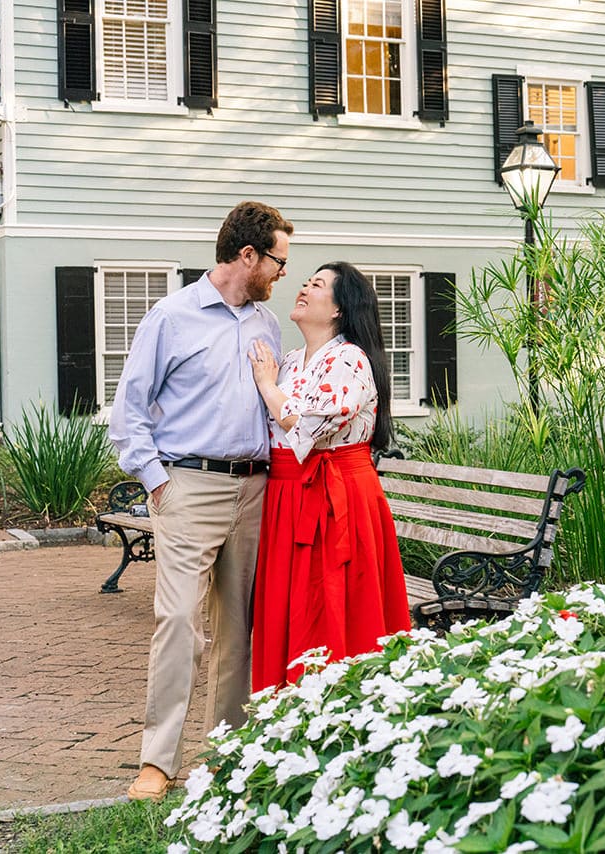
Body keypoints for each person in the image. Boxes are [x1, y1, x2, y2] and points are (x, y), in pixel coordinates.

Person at [108, 201, 293, 802]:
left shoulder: (267, 325)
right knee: (180, 622)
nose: (282, 273)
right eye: (278, 260)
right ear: (248, 256)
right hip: (187, 485)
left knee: (238, 630)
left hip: (255, 488)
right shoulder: (172, 316)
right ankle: (157, 763)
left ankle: (227, 756)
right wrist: (158, 481)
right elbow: (129, 412)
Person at [248, 261, 411, 690]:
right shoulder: (288, 361)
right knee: (290, 605)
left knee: (333, 602)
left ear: (340, 307)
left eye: (317, 284)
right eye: (305, 282)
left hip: (337, 496)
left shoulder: (350, 359)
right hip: (285, 496)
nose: (303, 288)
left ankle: (342, 703)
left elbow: (309, 425)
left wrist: (267, 386)